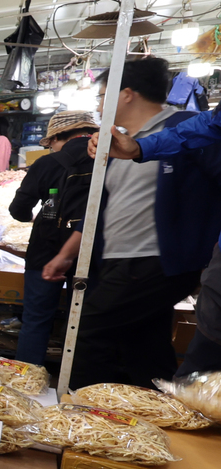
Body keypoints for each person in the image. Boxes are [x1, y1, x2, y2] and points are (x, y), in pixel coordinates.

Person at [55, 57, 221, 390]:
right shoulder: (122, 142)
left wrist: (202, 253)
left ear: (126, 94)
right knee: (143, 347)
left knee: (85, 334)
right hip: (119, 259)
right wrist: (69, 253)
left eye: (103, 94)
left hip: (155, 261)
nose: (99, 104)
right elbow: (106, 203)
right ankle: (156, 421)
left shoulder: (185, 127)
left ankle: (83, 420)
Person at [6, 111, 98, 365]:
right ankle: (76, 385)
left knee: (36, 320)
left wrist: (32, 216)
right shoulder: (106, 160)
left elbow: (18, 209)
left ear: (58, 137)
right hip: (92, 252)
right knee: (81, 321)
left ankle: (29, 379)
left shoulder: (48, 164)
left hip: (46, 251)